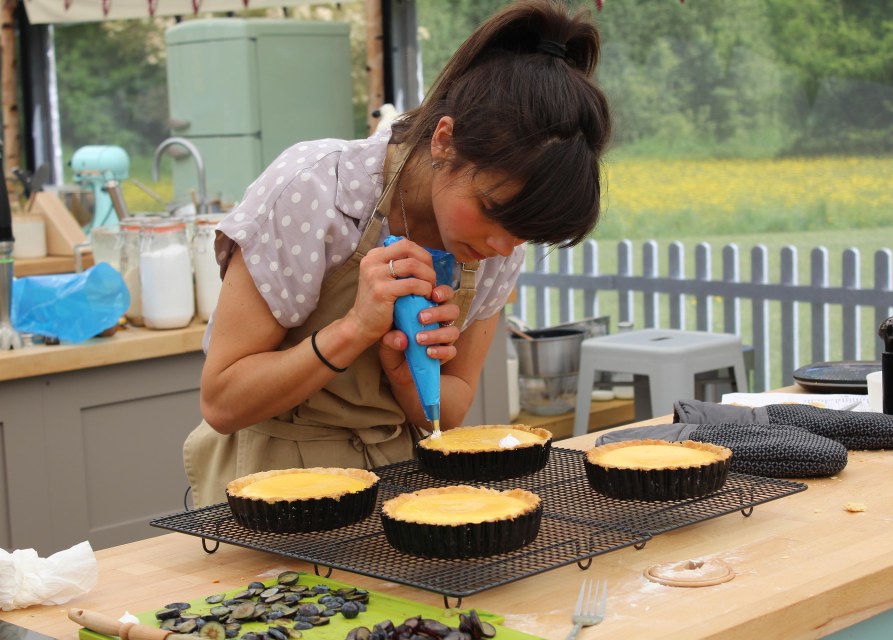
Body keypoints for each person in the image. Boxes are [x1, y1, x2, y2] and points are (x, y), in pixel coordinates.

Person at [183, 0, 611, 507]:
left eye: (523, 235)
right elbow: (223, 401)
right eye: (491, 210)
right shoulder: (318, 189)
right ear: (445, 140)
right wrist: (355, 328)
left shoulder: (500, 243)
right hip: (275, 487)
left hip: (400, 483)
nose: (502, 246)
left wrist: (404, 362)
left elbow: (448, 412)